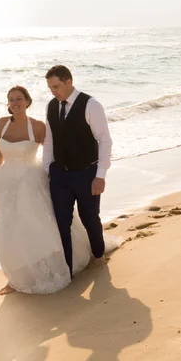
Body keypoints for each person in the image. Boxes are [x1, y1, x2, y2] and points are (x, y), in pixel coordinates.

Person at [0, 85, 120, 296]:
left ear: (27, 101)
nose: (15, 103)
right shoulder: (2, 124)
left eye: (19, 98)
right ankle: (16, 278)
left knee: (40, 225)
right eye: (11, 99)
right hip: (6, 184)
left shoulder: (38, 126)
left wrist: (63, 173)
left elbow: (53, 148)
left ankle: (56, 265)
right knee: (10, 229)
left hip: (30, 182)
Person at [43, 65, 113, 277]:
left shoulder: (91, 105)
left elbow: (105, 141)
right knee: (61, 221)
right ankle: (67, 268)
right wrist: (48, 169)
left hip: (86, 173)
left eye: (56, 86)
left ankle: (99, 257)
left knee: (89, 217)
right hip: (60, 175)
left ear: (69, 82)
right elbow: (49, 140)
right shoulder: (51, 106)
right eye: (50, 88)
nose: (53, 91)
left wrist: (100, 176)